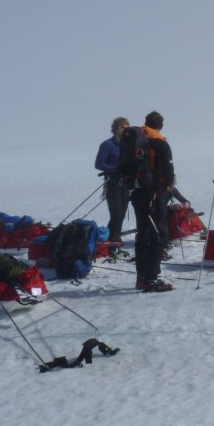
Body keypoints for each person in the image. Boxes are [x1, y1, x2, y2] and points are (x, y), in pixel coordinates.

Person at [131, 111, 175, 292]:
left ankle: (141, 278)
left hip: (137, 193)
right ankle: (152, 278)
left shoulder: (135, 140)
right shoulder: (159, 143)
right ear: (161, 125)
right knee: (158, 235)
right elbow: (169, 174)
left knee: (143, 235)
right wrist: (166, 188)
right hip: (154, 195)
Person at [94, 117, 132, 243]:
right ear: (116, 128)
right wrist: (114, 168)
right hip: (113, 181)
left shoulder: (129, 145)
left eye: (127, 127)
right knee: (116, 213)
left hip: (126, 182)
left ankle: (114, 238)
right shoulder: (107, 145)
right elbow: (99, 164)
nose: (125, 130)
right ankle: (113, 239)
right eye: (122, 127)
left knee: (121, 213)